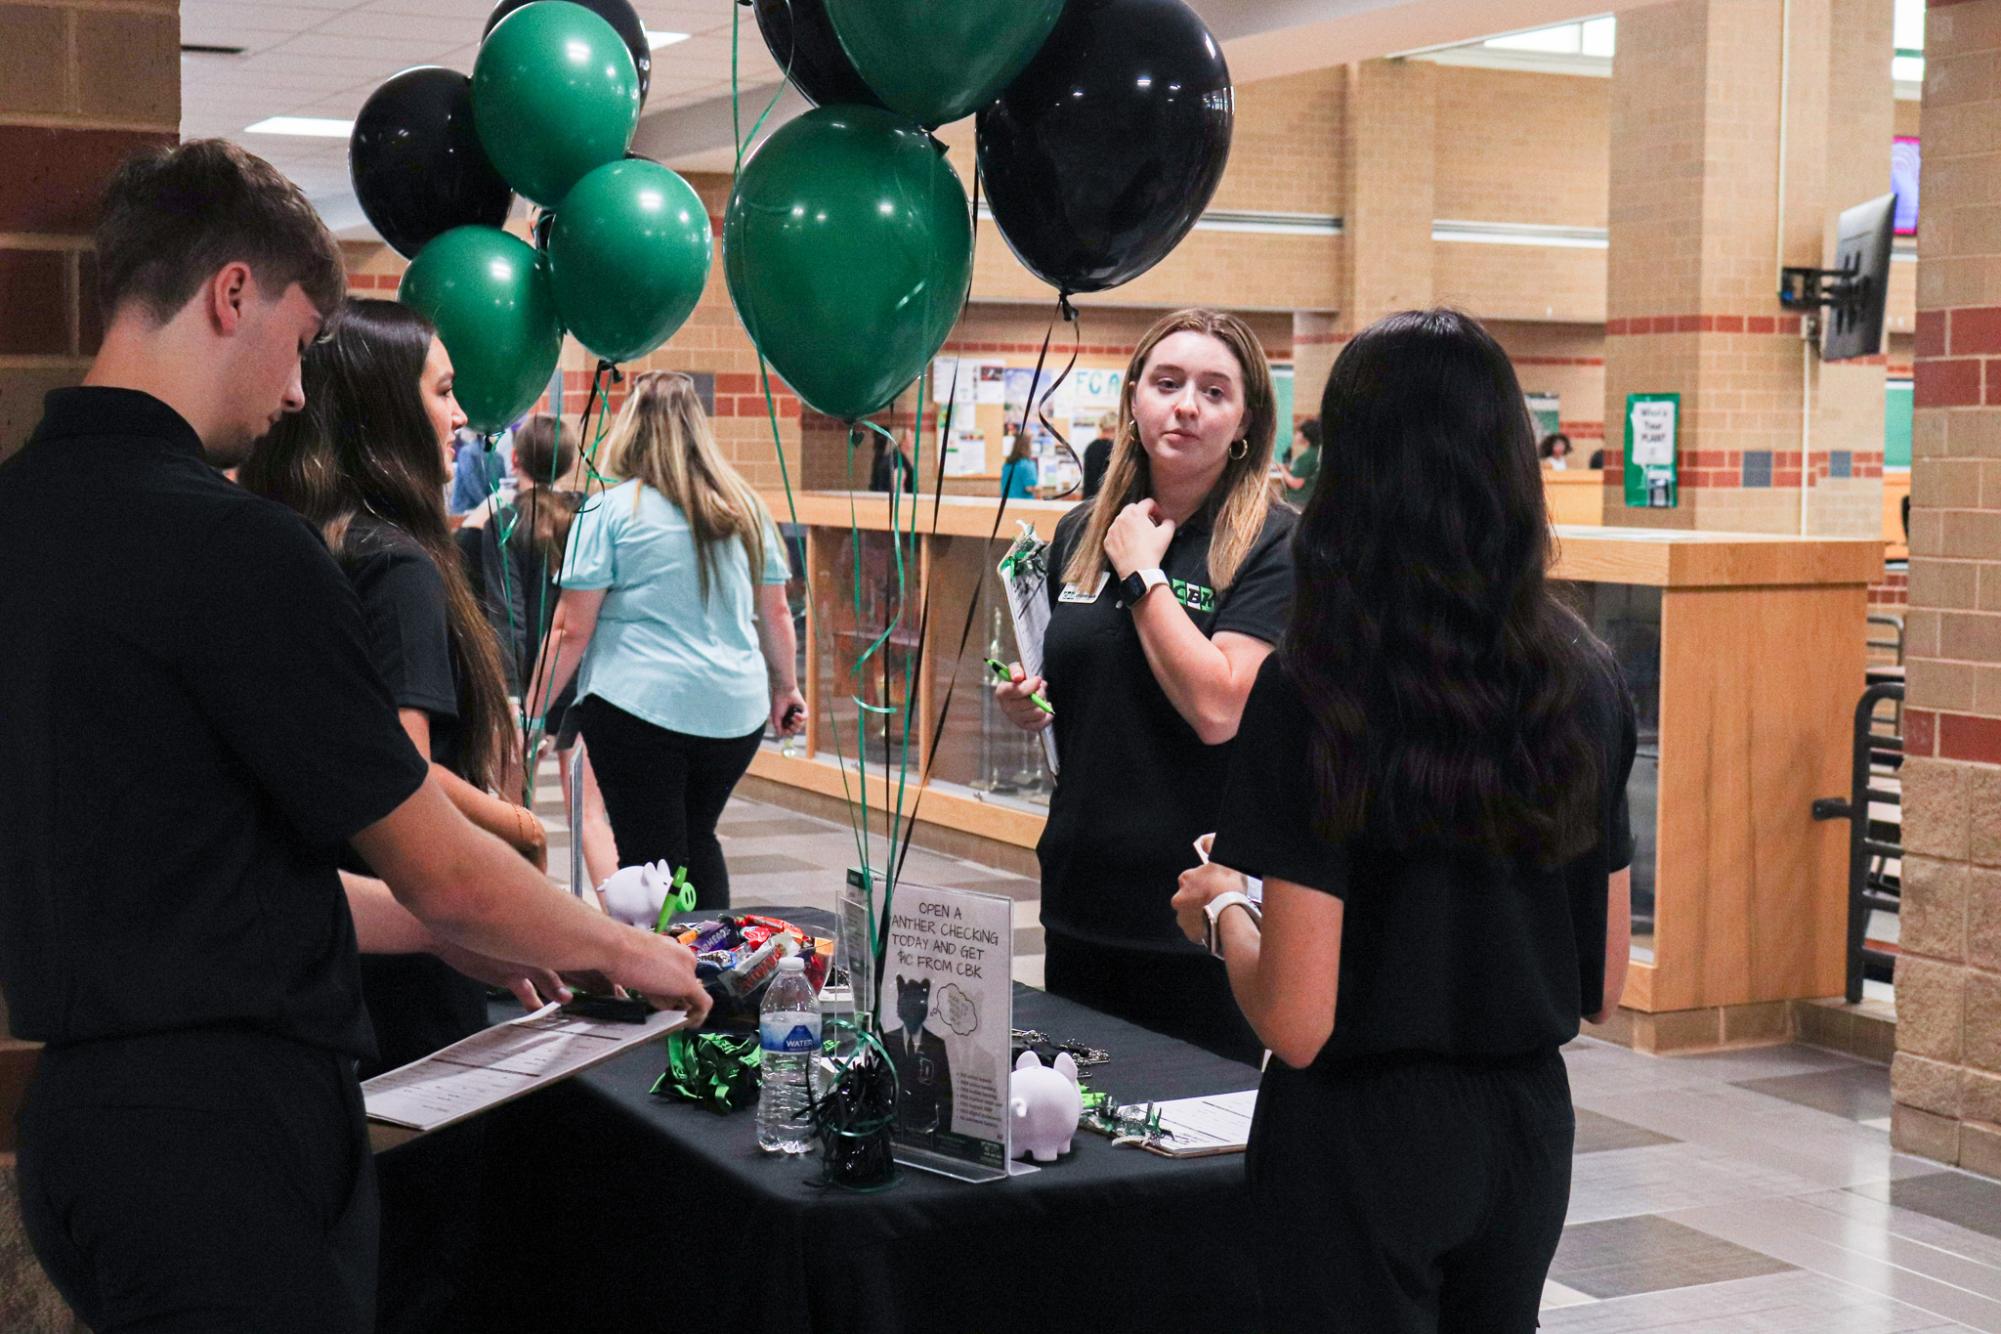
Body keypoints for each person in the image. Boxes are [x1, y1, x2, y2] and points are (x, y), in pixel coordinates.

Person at [0, 139, 711, 1334]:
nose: (293, 393)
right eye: (302, 337)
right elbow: (430, 853)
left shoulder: (18, 513)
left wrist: (468, 939)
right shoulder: (231, 543)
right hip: (226, 1137)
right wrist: (623, 948)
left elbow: (206, 881)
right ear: (234, 293)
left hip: (78, 1127)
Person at [1171, 309, 1636, 1331]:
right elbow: (1601, 983)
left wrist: (1220, 911)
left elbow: (1297, 1018)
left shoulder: (1320, 684)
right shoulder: (1586, 679)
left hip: (1359, 1137)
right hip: (1525, 1129)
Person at [239, 297, 548, 1332]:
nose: (461, 416)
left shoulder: (296, 538)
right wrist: (516, 842)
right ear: (382, 406)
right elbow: (401, 781)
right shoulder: (396, 562)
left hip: (326, 966)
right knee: (429, 1258)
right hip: (412, 973)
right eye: (442, 388)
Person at [994, 308, 1293, 1064]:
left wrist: (1142, 573)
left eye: (1213, 391)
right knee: (1074, 1138)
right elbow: (1088, 681)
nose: (1186, 405)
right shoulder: (1080, 532)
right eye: (1166, 383)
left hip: (1200, 907)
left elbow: (1219, 706)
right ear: (1133, 399)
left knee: (1186, 1151)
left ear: (1244, 419)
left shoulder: (1273, 541)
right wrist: (1032, 703)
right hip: (1080, 889)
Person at [528, 371, 807, 910]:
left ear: (628, 432)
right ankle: (713, 973)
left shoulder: (608, 510)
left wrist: (529, 714)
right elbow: (774, 610)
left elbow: (570, 629)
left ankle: (668, 981)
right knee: (698, 839)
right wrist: (786, 691)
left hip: (638, 707)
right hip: (733, 715)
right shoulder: (746, 508)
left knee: (651, 859)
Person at [457, 413, 621, 888]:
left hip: (527, 684)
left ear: (515, 458)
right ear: (569, 462)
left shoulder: (504, 521)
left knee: (515, 813)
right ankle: (626, 923)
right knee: (589, 819)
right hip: (584, 678)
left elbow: (507, 612)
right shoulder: (591, 514)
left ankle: (523, 912)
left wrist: (514, 698)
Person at [1279, 417, 1320, 497]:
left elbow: (1295, 484)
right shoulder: (1315, 452)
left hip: (1297, 500)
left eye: (1297, 432)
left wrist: (1281, 467)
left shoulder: (1307, 457)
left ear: (1304, 434)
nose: (1295, 434)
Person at [1081, 410, 1118, 498]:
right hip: (1107, 502)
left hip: (1089, 501)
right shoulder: (1115, 449)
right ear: (1114, 428)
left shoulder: (1091, 447)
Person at [1000, 431, 1039, 499]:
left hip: (1007, 504)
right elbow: (1029, 488)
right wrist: (1039, 488)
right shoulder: (1028, 465)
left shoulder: (1007, 464)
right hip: (1023, 505)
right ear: (1027, 446)